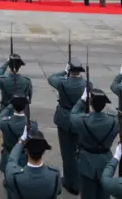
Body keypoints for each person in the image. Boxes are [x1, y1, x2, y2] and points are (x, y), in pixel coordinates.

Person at [70, 87, 119, 199]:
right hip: (105, 160)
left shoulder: (83, 120)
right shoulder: (114, 121)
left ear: (90, 103)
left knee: (87, 194)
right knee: (104, 193)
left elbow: (72, 115)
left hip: (87, 161)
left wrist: (82, 100)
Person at [47, 58, 87, 195]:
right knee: (79, 152)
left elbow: (51, 78)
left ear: (70, 70)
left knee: (67, 153)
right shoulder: (87, 84)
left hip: (64, 119)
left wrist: (64, 71)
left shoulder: (62, 82)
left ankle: (71, 183)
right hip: (79, 120)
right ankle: (79, 180)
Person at [4, 129, 62, 199]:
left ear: (26, 151)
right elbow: (58, 191)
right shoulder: (54, 174)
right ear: (44, 151)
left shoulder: (14, 176)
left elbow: (11, 160)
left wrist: (21, 141)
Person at [0, 94, 38, 179]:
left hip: (8, 154)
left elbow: (0, 116)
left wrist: (11, 105)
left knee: (8, 179)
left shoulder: (4, 123)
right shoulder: (32, 126)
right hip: (24, 157)